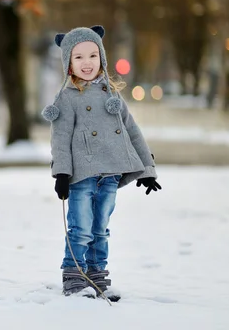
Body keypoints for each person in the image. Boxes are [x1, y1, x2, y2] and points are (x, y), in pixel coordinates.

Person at [41, 25, 161, 301]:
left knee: (100, 229)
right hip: (82, 175)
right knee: (81, 228)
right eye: (79, 57)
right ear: (68, 62)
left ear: (102, 58)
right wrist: (61, 173)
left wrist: (146, 169)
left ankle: (97, 275)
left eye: (93, 56)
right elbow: (60, 138)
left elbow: (132, 130)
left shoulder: (112, 94)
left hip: (110, 175)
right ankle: (74, 277)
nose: (87, 63)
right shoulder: (67, 98)